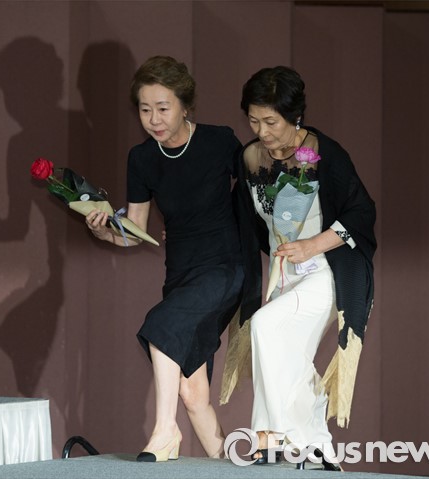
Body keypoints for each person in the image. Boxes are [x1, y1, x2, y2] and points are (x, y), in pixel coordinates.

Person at [85, 55, 244, 461]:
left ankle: (163, 431)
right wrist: (104, 231)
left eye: (163, 108)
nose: (154, 119)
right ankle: (231, 467)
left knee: (161, 327)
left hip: (223, 266)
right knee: (192, 392)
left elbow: (255, 195)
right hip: (180, 274)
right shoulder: (141, 159)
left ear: (185, 106)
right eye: (145, 110)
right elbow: (136, 231)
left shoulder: (219, 141)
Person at [219, 66, 376, 471]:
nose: (262, 131)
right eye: (254, 121)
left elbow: (361, 214)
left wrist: (310, 245)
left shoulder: (326, 153)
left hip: (326, 272)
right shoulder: (250, 157)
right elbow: (242, 222)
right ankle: (300, 445)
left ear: (295, 116)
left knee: (266, 327)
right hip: (281, 275)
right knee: (281, 353)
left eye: (271, 121)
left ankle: (288, 439)